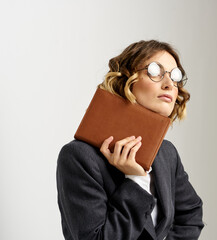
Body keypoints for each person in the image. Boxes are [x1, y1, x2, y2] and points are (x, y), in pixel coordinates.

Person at [56, 40, 204, 240]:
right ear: (127, 79)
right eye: (154, 71)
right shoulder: (79, 157)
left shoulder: (166, 152)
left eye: (175, 75)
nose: (169, 84)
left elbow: (191, 215)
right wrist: (136, 181)